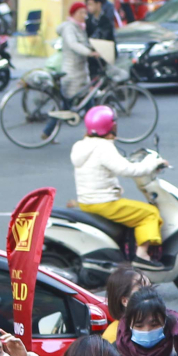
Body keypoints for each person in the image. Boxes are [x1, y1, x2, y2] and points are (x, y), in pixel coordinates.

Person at [71, 108, 168, 263]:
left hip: (86, 202)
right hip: (104, 203)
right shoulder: (103, 147)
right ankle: (142, 255)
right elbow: (128, 169)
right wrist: (153, 163)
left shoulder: (80, 146)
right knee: (150, 213)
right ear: (111, 127)